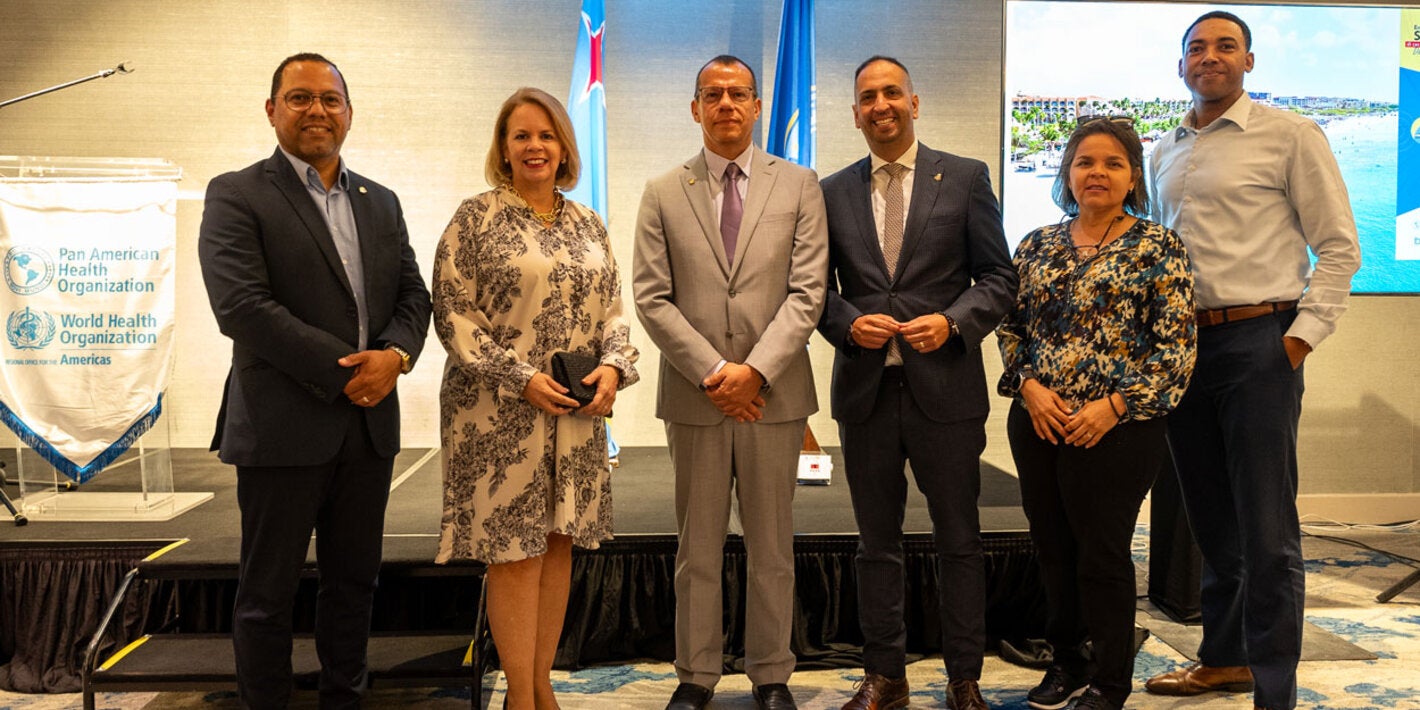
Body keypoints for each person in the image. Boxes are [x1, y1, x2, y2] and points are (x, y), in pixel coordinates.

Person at [198, 52, 431, 708]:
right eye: (299, 98)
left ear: (349, 113)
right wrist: (351, 373)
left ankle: (344, 700)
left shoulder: (380, 202)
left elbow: (415, 296)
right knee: (266, 596)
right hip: (281, 429)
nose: (316, 111)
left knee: (354, 586)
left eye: (330, 99)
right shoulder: (237, 193)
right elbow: (242, 307)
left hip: (368, 431)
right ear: (272, 110)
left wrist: (396, 356)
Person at [1143, 11, 1361, 710]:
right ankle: (1224, 660)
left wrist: (1297, 340)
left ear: (1250, 61)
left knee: (1267, 530)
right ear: (1181, 67)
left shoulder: (1291, 135)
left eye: (1225, 47)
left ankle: (1274, 689)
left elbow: (1338, 246)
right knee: (1211, 523)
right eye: (1197, 49)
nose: (1210, 57)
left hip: (1259, 344)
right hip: (1184, 350)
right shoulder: (1163, 150)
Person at [815, 56, 1017, 710]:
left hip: (948, 393)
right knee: (877, 546)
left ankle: (965, 678)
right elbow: (815, 292)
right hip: (866, 396)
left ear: (914, 102)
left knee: (959, 540)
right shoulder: (831, 192)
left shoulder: (963, 178)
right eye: (868, 96)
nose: (881, 105)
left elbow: (998, 280)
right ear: (855, 112)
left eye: (892, 93)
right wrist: (847, 324)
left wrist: (954, 323)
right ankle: (886, 677)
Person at [432, 87, 639, 710]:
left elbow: (614, 312)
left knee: (557, 545)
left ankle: (540, 683)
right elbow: (452, 313)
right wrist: (519, 376)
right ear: (503, 147)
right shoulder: (476, 217)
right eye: (521, 135)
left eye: (546, 135)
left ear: (563, 147)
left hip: (576, 418)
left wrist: (613, 368)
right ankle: (520, 696)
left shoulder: (588, 222)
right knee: (514, 552)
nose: (534, 146)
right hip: (498, 415)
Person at [632, 55, 828, 710]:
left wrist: (755, 372)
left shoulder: (799, 185)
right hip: (697, 397)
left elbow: (808, 293)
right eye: (712, 94)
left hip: (774, 398)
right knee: (698, 548)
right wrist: (718, 373)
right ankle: (696, 676)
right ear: (694, 108)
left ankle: (772, 675)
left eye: (738, 94)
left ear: (757, 106)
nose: (726, 105)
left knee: (773, 546)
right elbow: (652, 298)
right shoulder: (663, 191)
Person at [997, 116, 1196, 710]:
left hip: (1120, 432)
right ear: (1068, 173)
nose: (1097, 173)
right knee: (1052, 548)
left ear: (1133, 176)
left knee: (1103, 554)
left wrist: (1111, 407)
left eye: (1112, 163)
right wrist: (1028, 386)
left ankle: (1111, 679)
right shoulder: (1035, 244)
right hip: (1039, 423)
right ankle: (1067, 662)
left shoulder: (1158, 246)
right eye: (1085, 162)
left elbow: (1176, 353)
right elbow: (1011, 328)